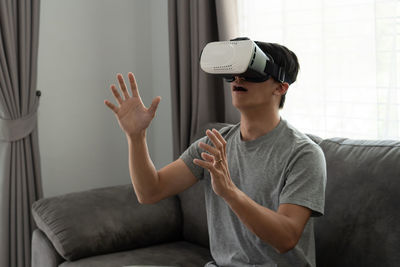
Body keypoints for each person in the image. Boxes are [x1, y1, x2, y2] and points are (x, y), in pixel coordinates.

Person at [104, 41, 326, 267]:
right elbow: (150, 191)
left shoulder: (303, 154)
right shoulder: (214, 144)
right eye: (235, 72)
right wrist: (136, 137)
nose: (238, 79)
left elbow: (286, 238)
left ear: (280, 87)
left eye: (251, 72)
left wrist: (229, 191)